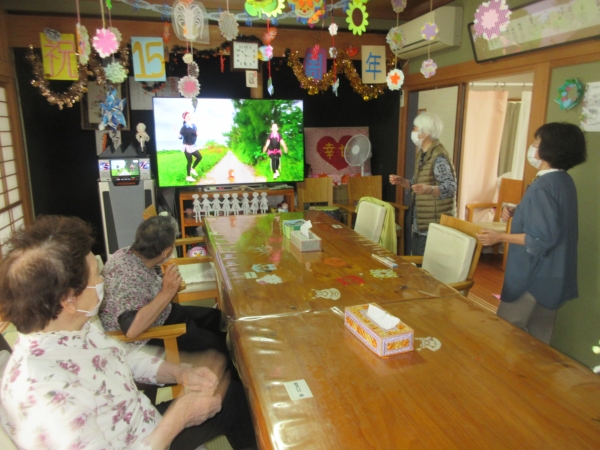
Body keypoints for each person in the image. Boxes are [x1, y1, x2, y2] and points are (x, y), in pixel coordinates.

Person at [0, 215, 257, 450]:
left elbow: (122, 356)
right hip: (144, 440)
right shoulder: (43, 395)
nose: (103, 281)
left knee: (231, 396)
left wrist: (180, 372)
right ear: (69, 300)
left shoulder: (74, 329)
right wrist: (180, 417)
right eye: (96, 277)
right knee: (233, 402)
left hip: (140, 420)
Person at [477, 122, 587, 344]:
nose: (533, 146)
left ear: (550, 149)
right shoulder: (563, 181)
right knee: (539, 340)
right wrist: (519, 211)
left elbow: (541, 238)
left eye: (537, 142)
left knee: (507, 335)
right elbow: (553, 221)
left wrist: (499, 237)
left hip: (533, 275)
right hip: (555, 274)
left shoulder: (543, 186)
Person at [100, 215, 229, 358]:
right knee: (222, 349)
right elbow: (131, 330)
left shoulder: (126, 253)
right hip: (151, 334)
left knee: (220, 320)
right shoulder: (128, 279)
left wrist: (166, 283)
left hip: (163, 312)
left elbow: (145, 282)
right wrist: (167, 292)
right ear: (166, 251)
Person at [389, 112, 457, 255]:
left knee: (424, 265)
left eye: (415, 128)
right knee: (417, 261)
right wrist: (403, 182)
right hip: (420, 223)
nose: (412, 131)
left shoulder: (438, 156)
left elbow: (451, 187)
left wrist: (430, 189)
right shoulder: (423, 154)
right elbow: (418, 184)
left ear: (425, 132)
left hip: (434, 224)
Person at [179, 111, 202, 183]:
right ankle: (188, 177)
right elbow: (180, 137)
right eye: (187, 116)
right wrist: (178, 134)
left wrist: (197, 133)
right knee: (189, 161)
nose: (189, 117)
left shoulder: (194, 125)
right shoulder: (184, 127)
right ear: (184, 118)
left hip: (192, 146)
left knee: (199, 157)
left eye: (189, 115)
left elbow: (196, 133)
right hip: (186, 146)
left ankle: (192, 169)